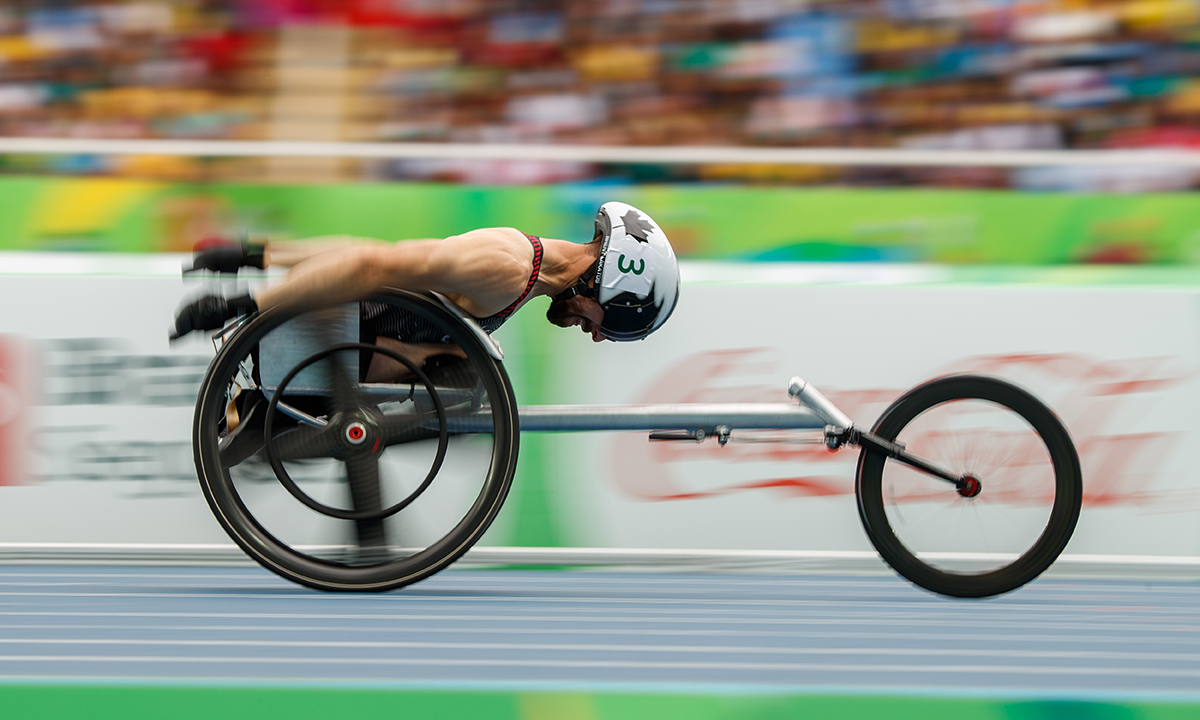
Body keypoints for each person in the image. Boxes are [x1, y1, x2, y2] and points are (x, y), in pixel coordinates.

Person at [171, 202, 680, 365]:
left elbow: (369, 251)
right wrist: (246, 303)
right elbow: (368, 265)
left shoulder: (527, 272)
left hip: (351, 341)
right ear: (605, 285)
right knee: (465, 379)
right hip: (331, 343)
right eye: (607, 323)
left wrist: (254, 255)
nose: (596, 335)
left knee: (467, 364)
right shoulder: (504, 267)